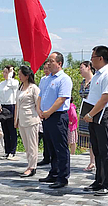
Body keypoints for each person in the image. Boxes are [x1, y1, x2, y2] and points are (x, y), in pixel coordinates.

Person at [83, 45, 108, 196]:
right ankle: (99, 180)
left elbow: (105, 98)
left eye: (93, 58)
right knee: (97, 150)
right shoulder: (97, 75)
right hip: (94, 114)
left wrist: (90, 114)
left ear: (101, 58)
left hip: (104, 114)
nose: (91, 61)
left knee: (105, 150)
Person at [37, 52, 73, 189]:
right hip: (45, 116)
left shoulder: (64, 79)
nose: (48, 63)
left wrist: (48, 112)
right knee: (50, 146)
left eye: (51, 61)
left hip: (57, 116)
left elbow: (61, 99)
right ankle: (54, 172)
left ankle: (63, 177)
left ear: (60, 63)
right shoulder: (45, 79)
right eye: (48, 61)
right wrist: (39, 110)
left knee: (61, 147)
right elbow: (40, 96)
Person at [14, 65, 41, 177]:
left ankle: (32, 166)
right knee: (26, 145)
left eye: (21, 74)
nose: (19, 76)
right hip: (22, 120)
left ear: (27, 75)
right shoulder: (20, 88)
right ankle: (29, 164)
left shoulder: (34, 88)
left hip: (31, 119)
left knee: (32, 145)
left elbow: (38, 104)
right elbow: (17, 105)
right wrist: (15, 120)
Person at [0, 65, 20, 160]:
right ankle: (6, 151)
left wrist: (11, 73)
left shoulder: (14, 82)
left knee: (12, 130)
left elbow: (11, 84)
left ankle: (12, 151)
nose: (4, 74)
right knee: (5, 130)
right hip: (3, 107)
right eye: (4, 72)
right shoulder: (1, 84)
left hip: (12, 106)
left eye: (6, 72)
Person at [79, 61, 97, 171]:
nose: (80, 70)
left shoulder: (95, 80)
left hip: (93, 110)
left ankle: (94, 161)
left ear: (89, 67)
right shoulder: (83, 82)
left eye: (82, 68)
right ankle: (92, 161)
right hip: (84, 109)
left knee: (93, 136)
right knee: (88, 138)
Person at [37, 62, 52, 166]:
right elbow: (40, 94)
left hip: (51, 112)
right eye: (44, 69)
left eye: (48, 68)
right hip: (42, 112)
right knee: (45, 136)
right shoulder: (43, 80)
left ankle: (52, 157)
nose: (46, 70)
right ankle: (46, 157)